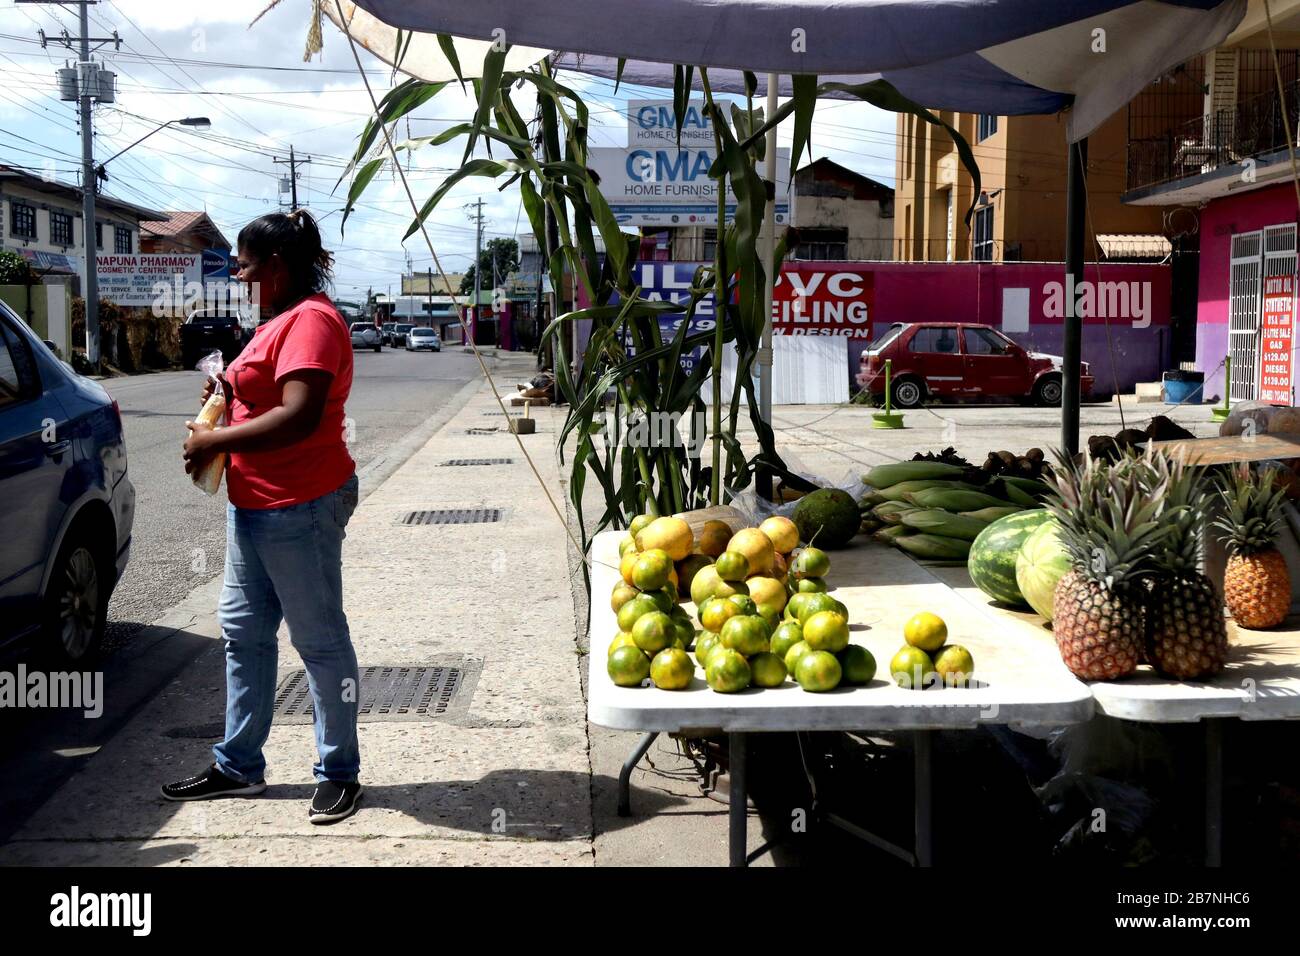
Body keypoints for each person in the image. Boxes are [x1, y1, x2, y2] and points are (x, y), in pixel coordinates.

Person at [163, 209, 363, 824]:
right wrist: (229, 393)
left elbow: (301, 415)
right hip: (253, 504)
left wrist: (217, 442)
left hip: (299, 504)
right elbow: (266, 392)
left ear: (275, 267)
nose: (240, 276)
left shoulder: (311, 322)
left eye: (246, 266)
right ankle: (238, 765)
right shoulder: (279, 319)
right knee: (243, 636)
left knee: (319, 642)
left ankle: (339, 773)